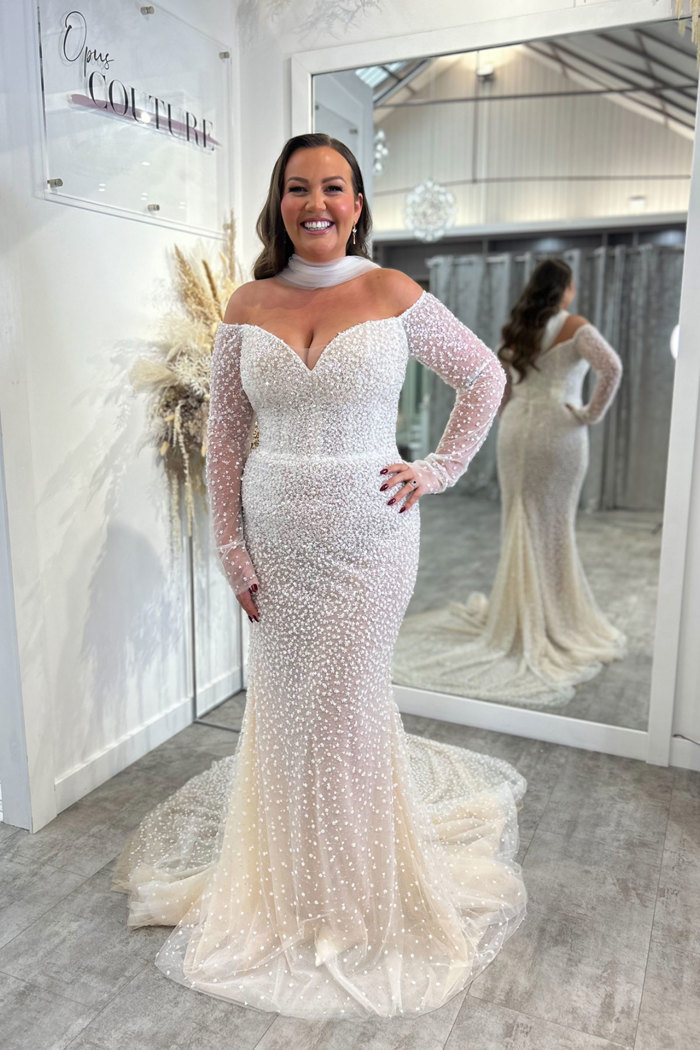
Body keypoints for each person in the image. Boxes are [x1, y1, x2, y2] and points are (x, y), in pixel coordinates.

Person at [112, 133, 527, 1019]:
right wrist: (231, 547)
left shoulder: (391, 291)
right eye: (300, 189)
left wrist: (441, 469)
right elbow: (225, 441)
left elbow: (483, 377)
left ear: (357, 202)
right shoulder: (246, 304)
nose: (318, 205)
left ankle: (353, 889)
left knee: (347, 704)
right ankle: (287, 882)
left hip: (371, 542)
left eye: (334, 188)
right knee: (289, 707)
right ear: (280, 203)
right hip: (279, 542)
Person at [392, 258, 626, 707]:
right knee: (555, 525)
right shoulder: (576, 326)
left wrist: (509, 419)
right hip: (561, 430)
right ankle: (551, 615)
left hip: (517, 429)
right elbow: (611, 368)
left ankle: (524, 613)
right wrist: (590, 415)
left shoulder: (515, 329)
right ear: (566, 290)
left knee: (519, 516)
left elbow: (500, 387)